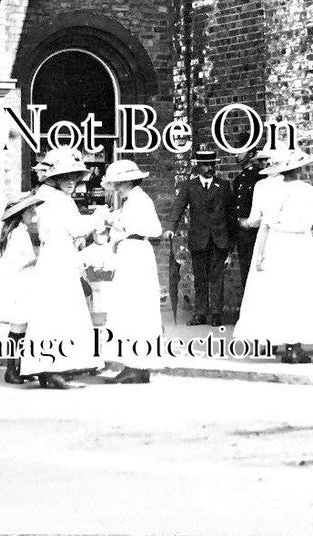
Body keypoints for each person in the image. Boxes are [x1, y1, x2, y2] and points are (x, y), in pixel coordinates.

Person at [19, 152, 107, 389]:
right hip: (60, 259)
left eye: (75, 177)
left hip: (53, 257)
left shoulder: (45, 195)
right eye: (65, 177)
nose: (71, 182)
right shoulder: (60, 200)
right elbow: (78, 228)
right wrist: (99, 217)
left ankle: (47, 369)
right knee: (62, 312)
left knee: (49, 313)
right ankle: (55, 369)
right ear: (54, 178)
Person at [233, 151, 313, 364]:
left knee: (277, 291)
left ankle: (272, 339)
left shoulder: (273, 190)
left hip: (276, 242)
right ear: (300, 169)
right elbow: (311, 223)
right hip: (299, 244)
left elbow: (262, 221)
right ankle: (294, 347)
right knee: (298, 293)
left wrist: (259, 251)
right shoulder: (309, 191)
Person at [100, 159, 163, 384]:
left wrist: (120, 227)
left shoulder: (139, 200)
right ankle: (135, 365)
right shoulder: (130, 200)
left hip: (136, 253)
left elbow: (154, 229)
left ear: (128, 180)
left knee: (135, 305)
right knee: (131, 306)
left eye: (119, 182)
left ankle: (136, 366)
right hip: (131, 252)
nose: (116, 186)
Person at [164, 149, 234, 326]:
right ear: (198, 166)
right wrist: (170, 228)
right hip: (198, 239)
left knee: (217, 277)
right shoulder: (190, 186)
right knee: (200, 278)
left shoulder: (223, 186)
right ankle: (200, 313)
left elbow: (230, 214)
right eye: (205, 165)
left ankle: (217, 313)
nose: (209, 168)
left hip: (219, 239)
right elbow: (178, 207)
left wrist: (230, 243)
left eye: (212, 165)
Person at [0, 192, 44, 384]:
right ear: (20, 213)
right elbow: (24, 261)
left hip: (21, 284)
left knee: (21, 328)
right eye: (30, 210)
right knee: (18, 328)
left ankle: (19, 368)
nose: (33, 213)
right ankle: (11, 369)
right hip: (19, 286)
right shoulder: (18, 234)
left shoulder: (17, 232)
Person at [231, 149, 266, 287]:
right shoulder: (239, 179)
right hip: (242, 235)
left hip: (256, 233)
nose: (236, 155)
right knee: (245, 272)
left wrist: (251, 222)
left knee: (258, 273)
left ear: (251, 154)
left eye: (240, 152)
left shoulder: (259, 177)